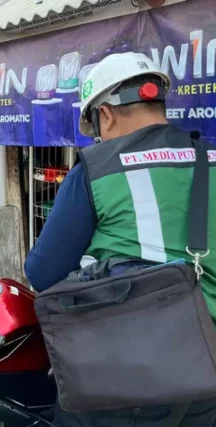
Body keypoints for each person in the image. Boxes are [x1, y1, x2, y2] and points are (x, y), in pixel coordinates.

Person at [25, 51, 216, 425]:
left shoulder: (96, 169)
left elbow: (43, 271)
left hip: (127, 374)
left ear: (106, 114)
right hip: (207, 367)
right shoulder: (210, 159)